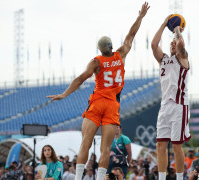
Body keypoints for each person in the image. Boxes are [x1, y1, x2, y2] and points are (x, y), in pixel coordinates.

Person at [47, 2, 149, 180]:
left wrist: (64, 94)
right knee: (105, 148)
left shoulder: (96, 62)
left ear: (100, 49)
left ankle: (79, 178)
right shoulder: (121, 54)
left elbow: (80, 79)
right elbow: (131, 35)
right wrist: (140, 17)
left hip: (97, 102)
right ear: (111, 46)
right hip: (112, 104)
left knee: (85, 143)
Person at [151, 15, 190, 180]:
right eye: (171, 43)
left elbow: (181, 46)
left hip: (179, 106)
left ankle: (180, 178)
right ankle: (161, 177)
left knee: (176, 146)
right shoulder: (164, 60)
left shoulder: (183, 59)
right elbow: (153, 44)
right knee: (160, 145)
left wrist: (177, 31)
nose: (173, 44)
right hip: (165, 106)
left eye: (174, 42)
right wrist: (163, 23)